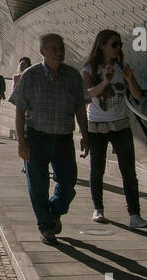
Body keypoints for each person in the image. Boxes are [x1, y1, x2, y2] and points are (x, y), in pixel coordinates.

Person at [10, 35, 89, 245]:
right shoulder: (31, 75)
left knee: (68, 182)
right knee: (38, 185)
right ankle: (46, 227)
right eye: (53, 48)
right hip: (35, 137)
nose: (58, 52)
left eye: (61, 48)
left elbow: (81, 108)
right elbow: (20, 111)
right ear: (43, 52)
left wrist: (85, 134)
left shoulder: (73, 76)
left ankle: (54, 212)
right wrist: (21, 142)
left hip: (63, 139)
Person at [80, 31, 147, 230]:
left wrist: (129, 78)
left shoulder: (123, 68)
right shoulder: (89, 69)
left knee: (128, 171)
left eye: (120, 45)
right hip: (97, 125)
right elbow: (87, 95)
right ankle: (98, 208)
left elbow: (138, 96)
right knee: (97, 169)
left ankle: (135, 214)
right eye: (114, 45)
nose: (118, 49)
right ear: (102, 45)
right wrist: (105, 80)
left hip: (121, 125)